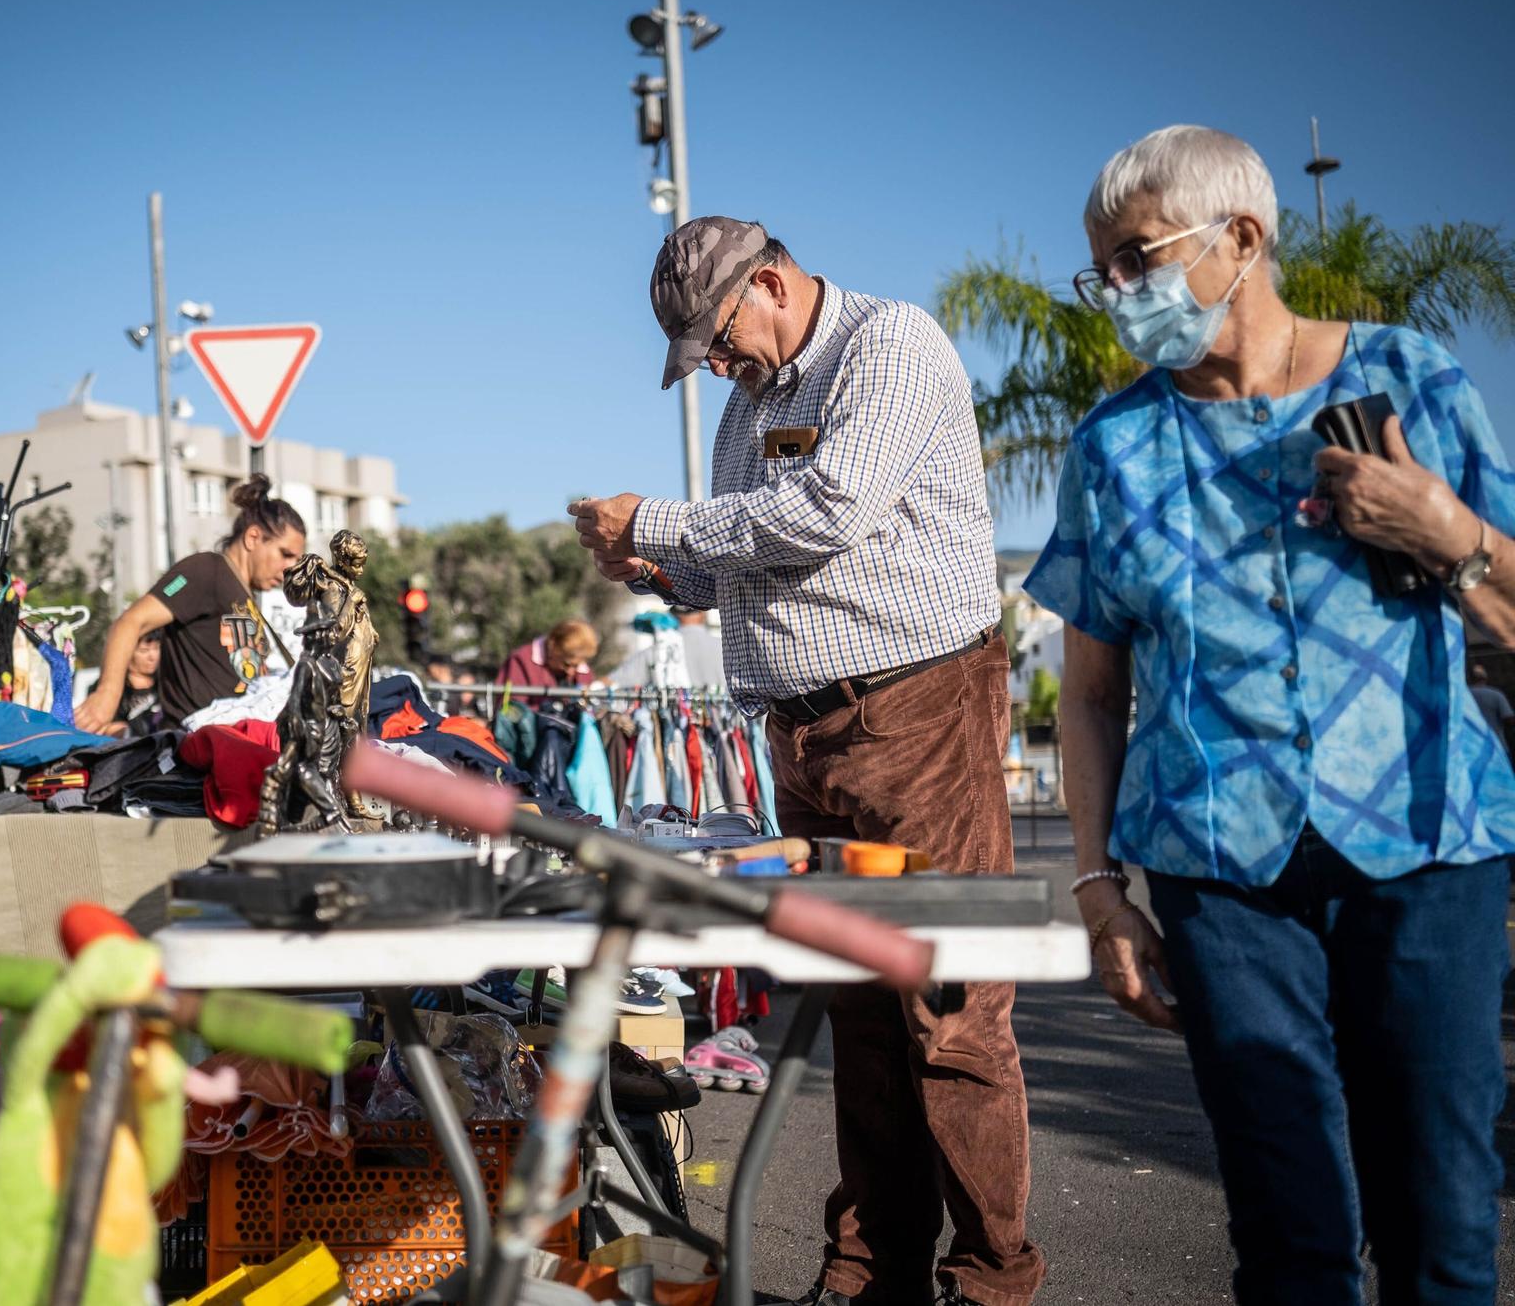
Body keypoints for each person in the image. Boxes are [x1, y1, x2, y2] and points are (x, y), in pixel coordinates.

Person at [1031, 124, 1515, 1303]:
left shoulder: (1408, 379)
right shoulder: (1113, 445)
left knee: (1439, 1228)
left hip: (1426, 847)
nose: (1115, 293)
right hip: (1219, 873)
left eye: (1136, 257)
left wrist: (1443, 532)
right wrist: (1100, 895)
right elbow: (1091, 697)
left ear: (1241, 238)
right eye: (1098, 269)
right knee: (1286, 1235)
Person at [572, 217, 1039, 1306]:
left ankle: (989, 1280)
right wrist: (655, 565)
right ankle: (870, 1272)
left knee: (951, 1008)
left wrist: (664, 517)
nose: (719, 370)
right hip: (806, 730)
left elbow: (824, 514)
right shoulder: (750, 406)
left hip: (917, 712)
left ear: (771, 283)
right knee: (859, 1012)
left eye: (720, 341)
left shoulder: (888, 346)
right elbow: (747, 563)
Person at [74, 473, 305, 731]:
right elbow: (131, 621)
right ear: (253, 538)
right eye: (285, 555)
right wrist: (107, 695)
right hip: (197, 749)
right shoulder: (206, 570)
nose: (290, 569)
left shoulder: (243, 594)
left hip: (240, 744)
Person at [494, 619, 598, 706]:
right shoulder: (520, 661)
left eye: (577, 666)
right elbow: (513, 708)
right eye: (566, 664)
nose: (571, 672)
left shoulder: (583, 671)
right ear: (552, 646)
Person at [94, 631, 163, 738]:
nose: (153, 657)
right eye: (144, 651)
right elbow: (103, 727)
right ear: (126, 653)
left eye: (156, 648)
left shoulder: (166, 680)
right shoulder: (108, 686)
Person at [1467, 662, 1513, 758]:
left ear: (1469, 678)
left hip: (1471, 746)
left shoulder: (1464, 695)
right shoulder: (1496, 694)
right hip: (1496, 745)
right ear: (1485, 678)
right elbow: (1509, 718)